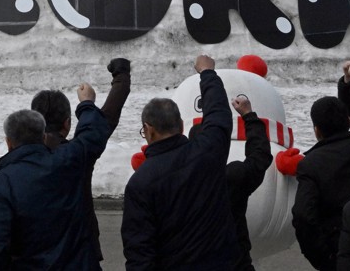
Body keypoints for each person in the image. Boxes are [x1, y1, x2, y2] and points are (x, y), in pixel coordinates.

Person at [122, 54, 239, 269]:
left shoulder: (140, 182)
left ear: (148, 129)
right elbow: (219, 114)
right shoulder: (208, 151)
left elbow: (139, 252)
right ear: (181, 126)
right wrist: (207, 73)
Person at [0, 84, 108, 270]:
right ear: (43, 137)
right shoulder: (68, 161)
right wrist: (86, 103)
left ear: (9, 142)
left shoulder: (3, 182)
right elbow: (92, 135)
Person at [30, 56, 131, 264]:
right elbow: (107, 117)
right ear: (67, 124)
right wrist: (120, 76)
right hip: (80, 256)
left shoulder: (17, 161)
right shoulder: (78, 155)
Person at [293, 60, 350, 271]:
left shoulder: (310, 164)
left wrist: (324, 259)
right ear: (348, 121)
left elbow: (303, 216)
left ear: (316, 130)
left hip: (338, 252)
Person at [227, 93, 274, 271]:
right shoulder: (232, 177)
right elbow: (260, 155)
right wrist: (248, 115)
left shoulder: (172, 180)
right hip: (236, 263)